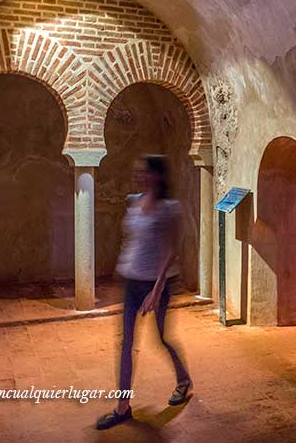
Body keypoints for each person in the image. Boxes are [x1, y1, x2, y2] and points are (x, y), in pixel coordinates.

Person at [96, 154, 192, 430]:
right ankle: (122, 406)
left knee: (162, 337)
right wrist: (122, 271)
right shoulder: (133, 202)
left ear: (157, 175)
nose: (139, 175)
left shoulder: (169, 208)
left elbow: (171, 250)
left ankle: (184, 380)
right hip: (131, 281)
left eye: (144, 171)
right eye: (138, 171)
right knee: (126, 344)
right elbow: (132, 241)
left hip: (157, 285)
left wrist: (157, 289)